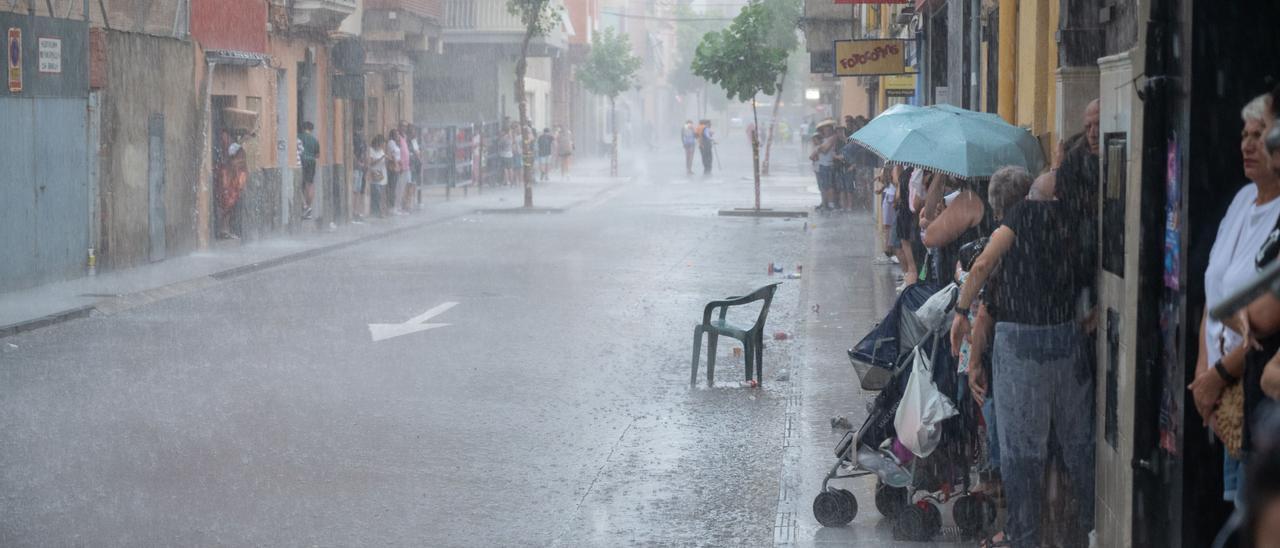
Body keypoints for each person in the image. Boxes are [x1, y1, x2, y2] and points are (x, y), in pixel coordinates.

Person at [950, 167, 1094, 548]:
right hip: (1064, 337)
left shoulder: (1022, 216)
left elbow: (982, 269)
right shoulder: (1073, 217)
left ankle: (1023, 536)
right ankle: (1092, 525)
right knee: (1077, 443)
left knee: (1021, 452)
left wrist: (960, 314)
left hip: (1021, 344)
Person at [1190, 94, 1280, 509]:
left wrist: (1219, 375)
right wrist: (1201, 372)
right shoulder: (1242, 200)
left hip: (1252, 395)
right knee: (1238, 513)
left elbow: (1263, 319)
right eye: (1245, 135)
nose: (1247, 144)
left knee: (1254, 514)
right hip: (1226, 398)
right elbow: (1216, 290)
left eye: (1259, 135)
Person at [216, 129, 247, 240]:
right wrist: (243, 140)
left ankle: (226, 229)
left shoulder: (229, 138)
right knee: (227, 203)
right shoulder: (225, 137)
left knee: (230, 204)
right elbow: (231, 151)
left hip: (232, 177)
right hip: (228, 177)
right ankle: (223, 229)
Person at [809, 120, 839, 209]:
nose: (826, 131)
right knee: (822, 187)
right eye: (825, 130)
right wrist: (819, 148)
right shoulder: (823, 139)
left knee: (828, 186)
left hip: (827, 165)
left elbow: (825, 150)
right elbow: (813, 155)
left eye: (828, 129)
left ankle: (830, 204)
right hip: (820, 166)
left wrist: (819, 148)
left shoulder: (832, 138)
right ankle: (824, 203)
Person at [298, 121, 320, 220]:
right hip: (311, 162)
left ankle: (305, 207)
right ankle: (309, 207)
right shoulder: (315, 140)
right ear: (311, 129)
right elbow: (317, 155)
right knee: (310, 185)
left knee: (299, 184)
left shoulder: (299, 136)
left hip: (301, 161)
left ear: (303, 128)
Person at [366, 135, 388, 218]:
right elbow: (371, 163)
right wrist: (382, 157)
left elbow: (383, 161)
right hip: (374, 174)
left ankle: (381, 211)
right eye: (382, 143)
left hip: (382, 174)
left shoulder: (381, 150)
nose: (383, 145)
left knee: (382, 194)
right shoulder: (371, 150)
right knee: (376, 194)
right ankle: (376, 212)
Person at [351, 130, 368, 223]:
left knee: (358, 191)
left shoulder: (362, 141)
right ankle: (354, 212)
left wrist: (364, 164)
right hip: (356, 168)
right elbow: (352, 152)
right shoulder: (355, 139)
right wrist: (358, 163)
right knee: (355, 191)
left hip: (360, 169)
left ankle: (357, 212)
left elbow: (365, 154)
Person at [385, 129, 402, 214]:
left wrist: (400, 164)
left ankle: (393, 206)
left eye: (398, 134)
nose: (398, 136)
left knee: (394, 187)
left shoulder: (395, 143)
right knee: (392, 188)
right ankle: (391, 207)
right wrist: (396, 166)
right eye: (396, 134)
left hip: (397, 167)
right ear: (392, 135)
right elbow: (393, 155)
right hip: (393, 168)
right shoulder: (391, 142)